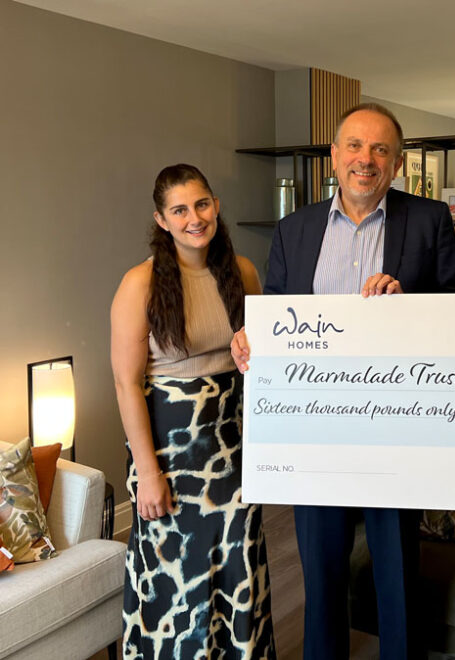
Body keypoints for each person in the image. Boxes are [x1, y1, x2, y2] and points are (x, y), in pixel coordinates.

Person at [231, 102, 455, 660]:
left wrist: (409, 304)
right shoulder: (294, 230)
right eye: (355, 147)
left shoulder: (429, 219)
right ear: (334, 157)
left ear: (398, 162)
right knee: (321, 573)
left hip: (396, 426)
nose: (367, 160)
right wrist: (251, 340)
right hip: (316, 431)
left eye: (381, 149)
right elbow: (275, 319)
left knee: (396, 573)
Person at [111, 164, 276, 659]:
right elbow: (126, 382)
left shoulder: (243, 271)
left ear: (216, 205)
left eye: (201, 204)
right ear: (161, 220)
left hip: (234, 448)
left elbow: (263, 357)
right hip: (169, 455)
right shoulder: (138, 285)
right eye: (179, 210)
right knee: (177, 585)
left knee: (239, 568)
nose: (194, 218)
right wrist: (147, 471)